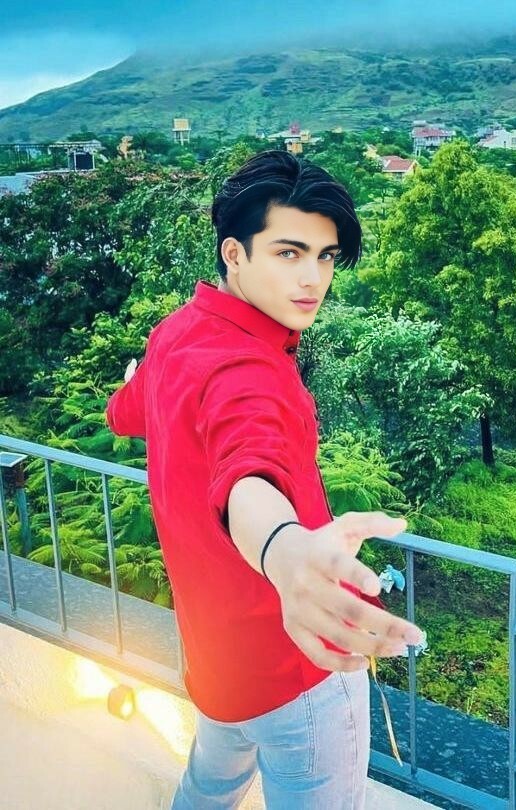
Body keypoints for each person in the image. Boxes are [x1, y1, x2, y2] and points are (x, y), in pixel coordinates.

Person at [105, 149, 423, 809]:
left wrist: (140, 379)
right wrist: (283, 550)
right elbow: (247, 469)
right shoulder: (250, 370)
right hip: (296, 669)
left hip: (216, 662)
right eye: (288, 252)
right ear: (234, 253)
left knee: (207, 791)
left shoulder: (176, 335)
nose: (313, 279)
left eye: (325, 256)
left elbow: (125, 413)